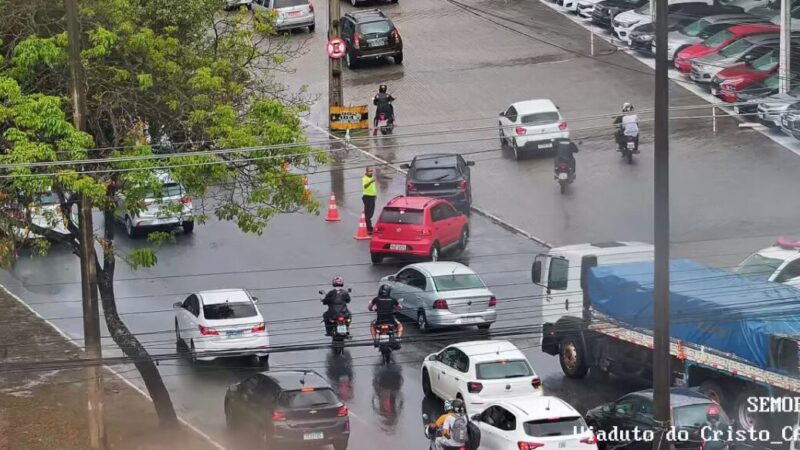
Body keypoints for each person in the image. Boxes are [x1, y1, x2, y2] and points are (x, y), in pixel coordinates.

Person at [362, 167, 377, 234]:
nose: (371, 172)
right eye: (370, 171)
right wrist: (371, 181)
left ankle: (368, 226)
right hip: (367, 197)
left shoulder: (372, 178)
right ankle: (369, 228)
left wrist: (375, 195)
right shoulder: (365, 178)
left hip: (372, 197)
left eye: (372, 171)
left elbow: (373, 187)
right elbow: (365, 186)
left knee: (371, 212)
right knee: (368, 213)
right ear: (366, 172)